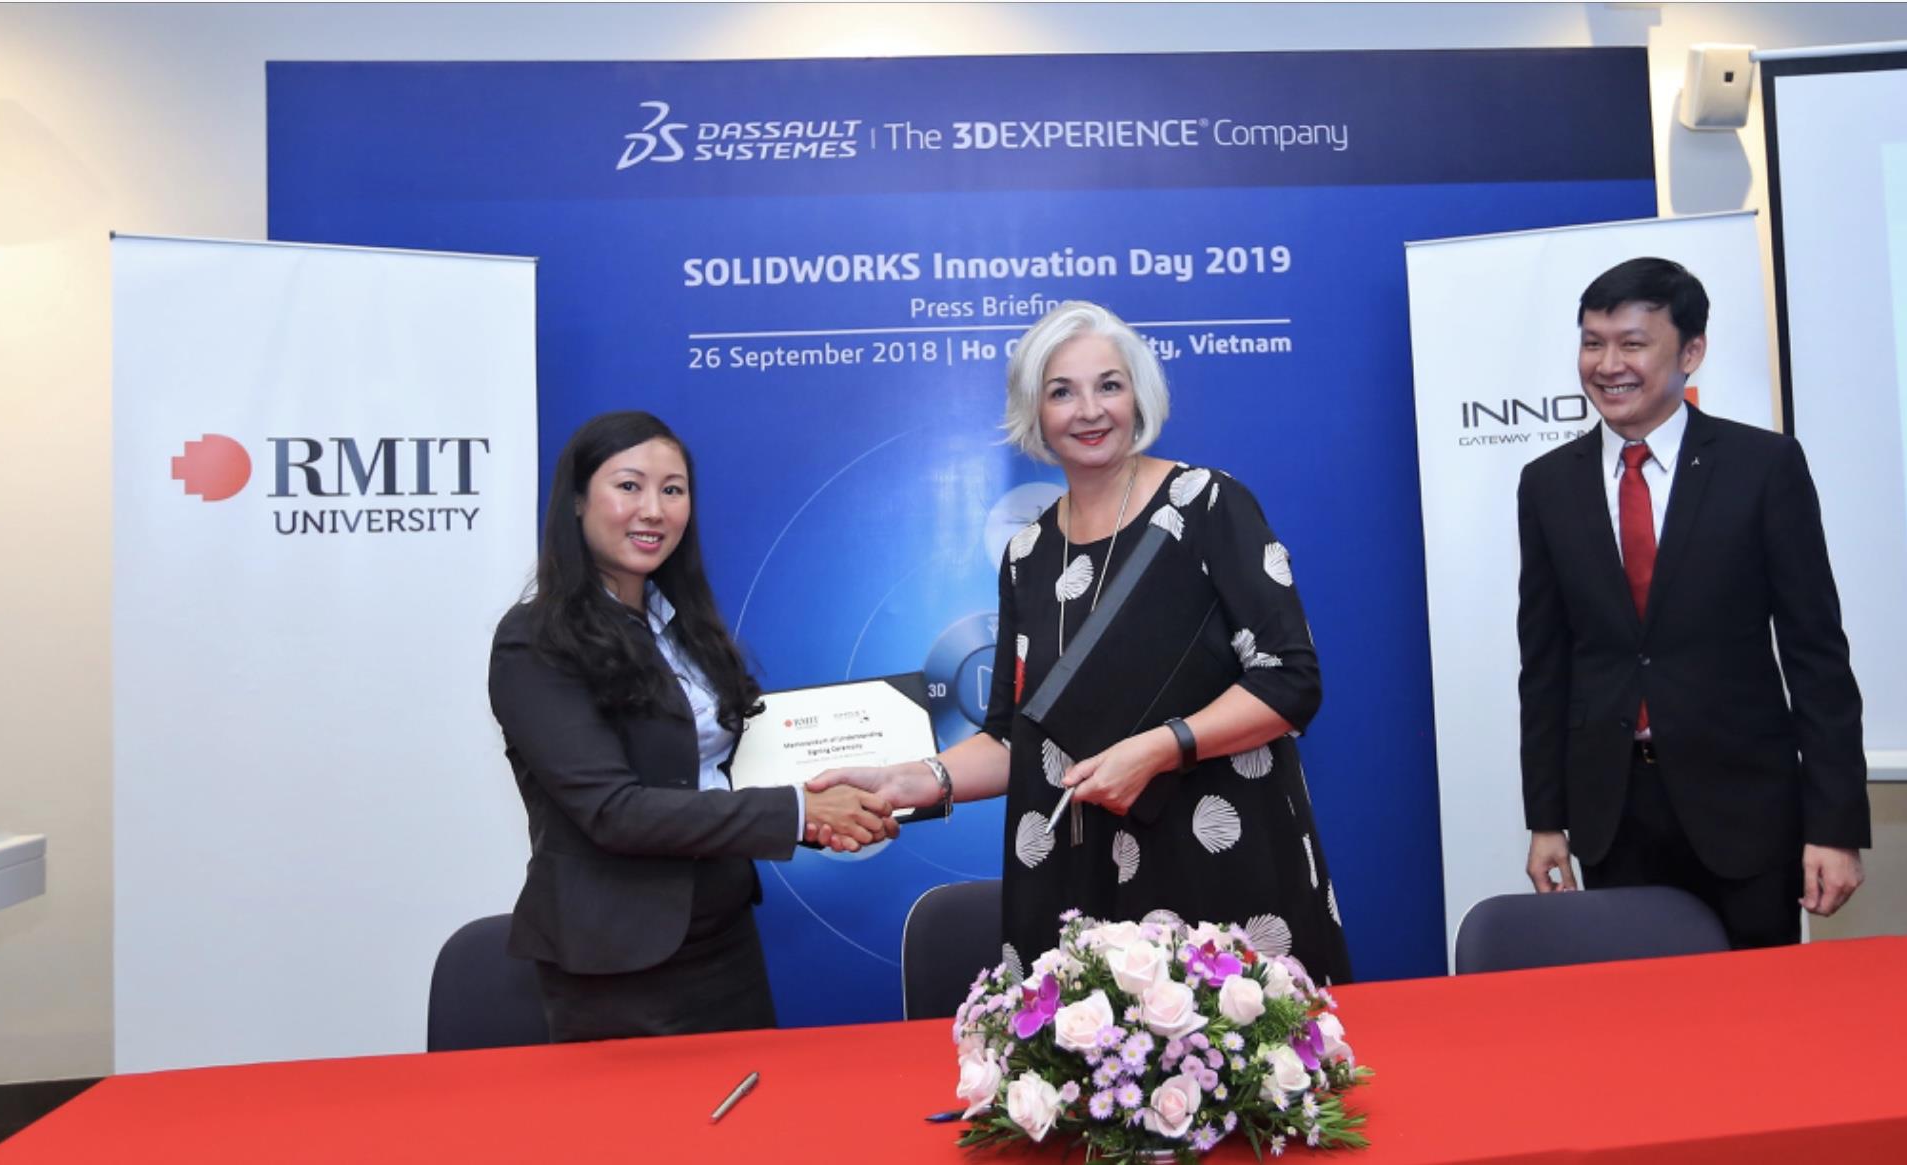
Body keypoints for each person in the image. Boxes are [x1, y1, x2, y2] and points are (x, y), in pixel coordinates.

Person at [808, 301, 1351, 984]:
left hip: (1220, 862)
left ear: (1138, 395)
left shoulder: (1208, 504)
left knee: (1233, 1044)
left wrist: (1160, 748)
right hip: (1082, 877)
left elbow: (1289, 680)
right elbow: (1016, 738)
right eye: (1062, 391)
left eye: (1109, 385)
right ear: (1033, 412)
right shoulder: (1027, 554)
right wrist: (910, 780)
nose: (1089, 410)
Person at [489, 410, 897, 1042]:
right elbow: (613, 811)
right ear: (576, 501)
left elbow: (724, 770)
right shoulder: (535, 640)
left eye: (672, 490)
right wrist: (801, 811)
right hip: (617, 961)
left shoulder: (682, 626)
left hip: (724, 936)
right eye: (629, 486)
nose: (654, 510)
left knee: (753, 1102)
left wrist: (837, 797)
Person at [1517, 257, 1869, 948]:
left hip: (1747, 810)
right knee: (1636, 1007)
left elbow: (1817, 658)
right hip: (1613, 815)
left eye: (1632, 343)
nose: (1608, 365)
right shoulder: (1547, 484)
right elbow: (1546, 665)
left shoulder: (1763, 467)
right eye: (1592, 343)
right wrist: (1546, 819)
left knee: (1757, 1005)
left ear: (1691, 351)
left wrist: (1835, 826)